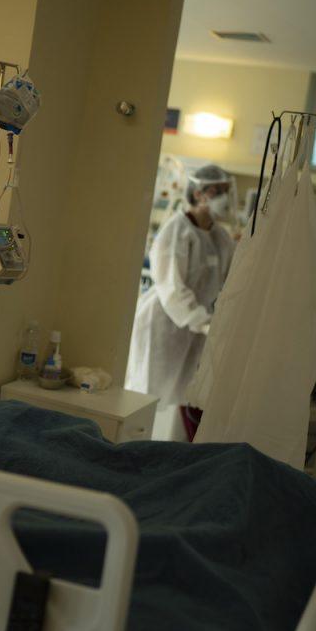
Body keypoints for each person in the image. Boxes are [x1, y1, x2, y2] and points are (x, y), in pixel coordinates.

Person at [125, 164, 236, 441]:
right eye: (217, 190)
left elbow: (229, 284)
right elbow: (172, 288)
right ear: (198, 193)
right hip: (164, 325)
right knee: (148, 398)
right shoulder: (176, 230)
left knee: (183, 401)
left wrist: (216, 322)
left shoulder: (221, 238)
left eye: (226, 190)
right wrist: (204, 323)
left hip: (196, 329)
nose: (224, 196)